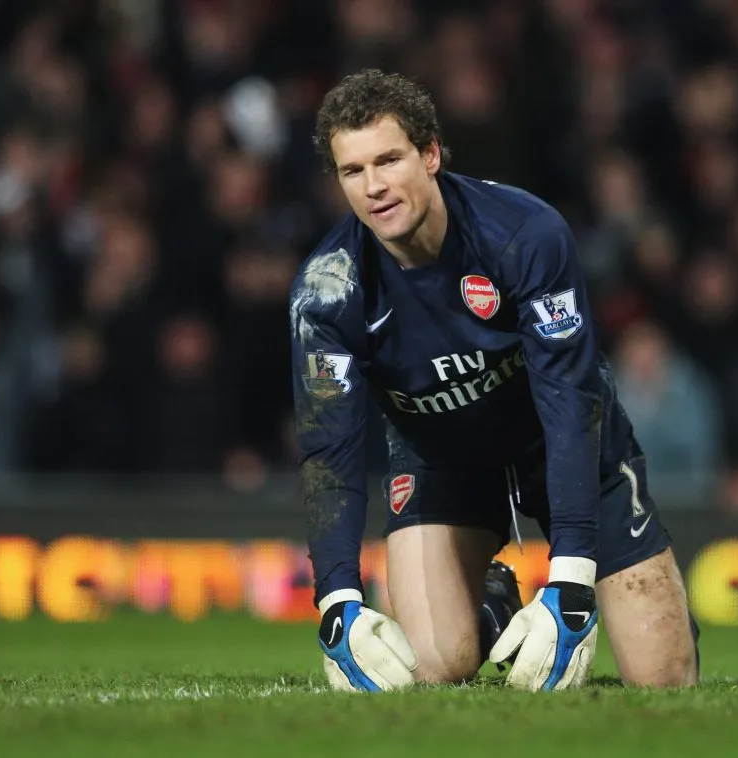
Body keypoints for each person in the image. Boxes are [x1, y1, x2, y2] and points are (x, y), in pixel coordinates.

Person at [290, 69, 699, 692]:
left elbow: (567, 404)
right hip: (440, 459)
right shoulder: (326, 294)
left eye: (389, 160)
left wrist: (570, 578)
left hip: (560, 441)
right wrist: (337, 602)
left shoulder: (525, 235)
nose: (374, 187)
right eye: (353, 171)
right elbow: (330, 455)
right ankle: (490, 605)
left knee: (665, 678)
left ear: (430, 154)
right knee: (429, 665)